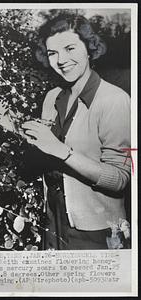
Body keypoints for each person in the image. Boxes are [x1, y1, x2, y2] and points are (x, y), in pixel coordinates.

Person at [20, 14, 131, 250]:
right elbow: (47, 155)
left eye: (70, 48)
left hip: (96, 231)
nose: (61, 60)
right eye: (53, 53)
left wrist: (61, 151)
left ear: (90, 48)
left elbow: (120, 180)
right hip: (52, 220)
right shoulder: (52, 97)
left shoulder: (114, 100)